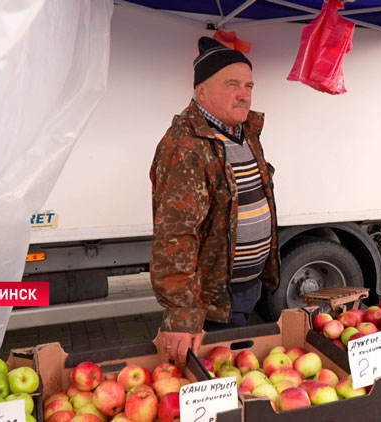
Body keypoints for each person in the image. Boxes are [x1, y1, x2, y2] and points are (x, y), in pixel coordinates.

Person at [149, 37, 280, 363]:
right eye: (232, 84)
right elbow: (175, 237)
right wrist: (182, 316)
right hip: (211, 305)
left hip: (245, 290)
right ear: (201, 91)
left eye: (248, 85)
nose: (244, 93)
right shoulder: (186, 145)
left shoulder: (244, 132)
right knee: (215, 386)